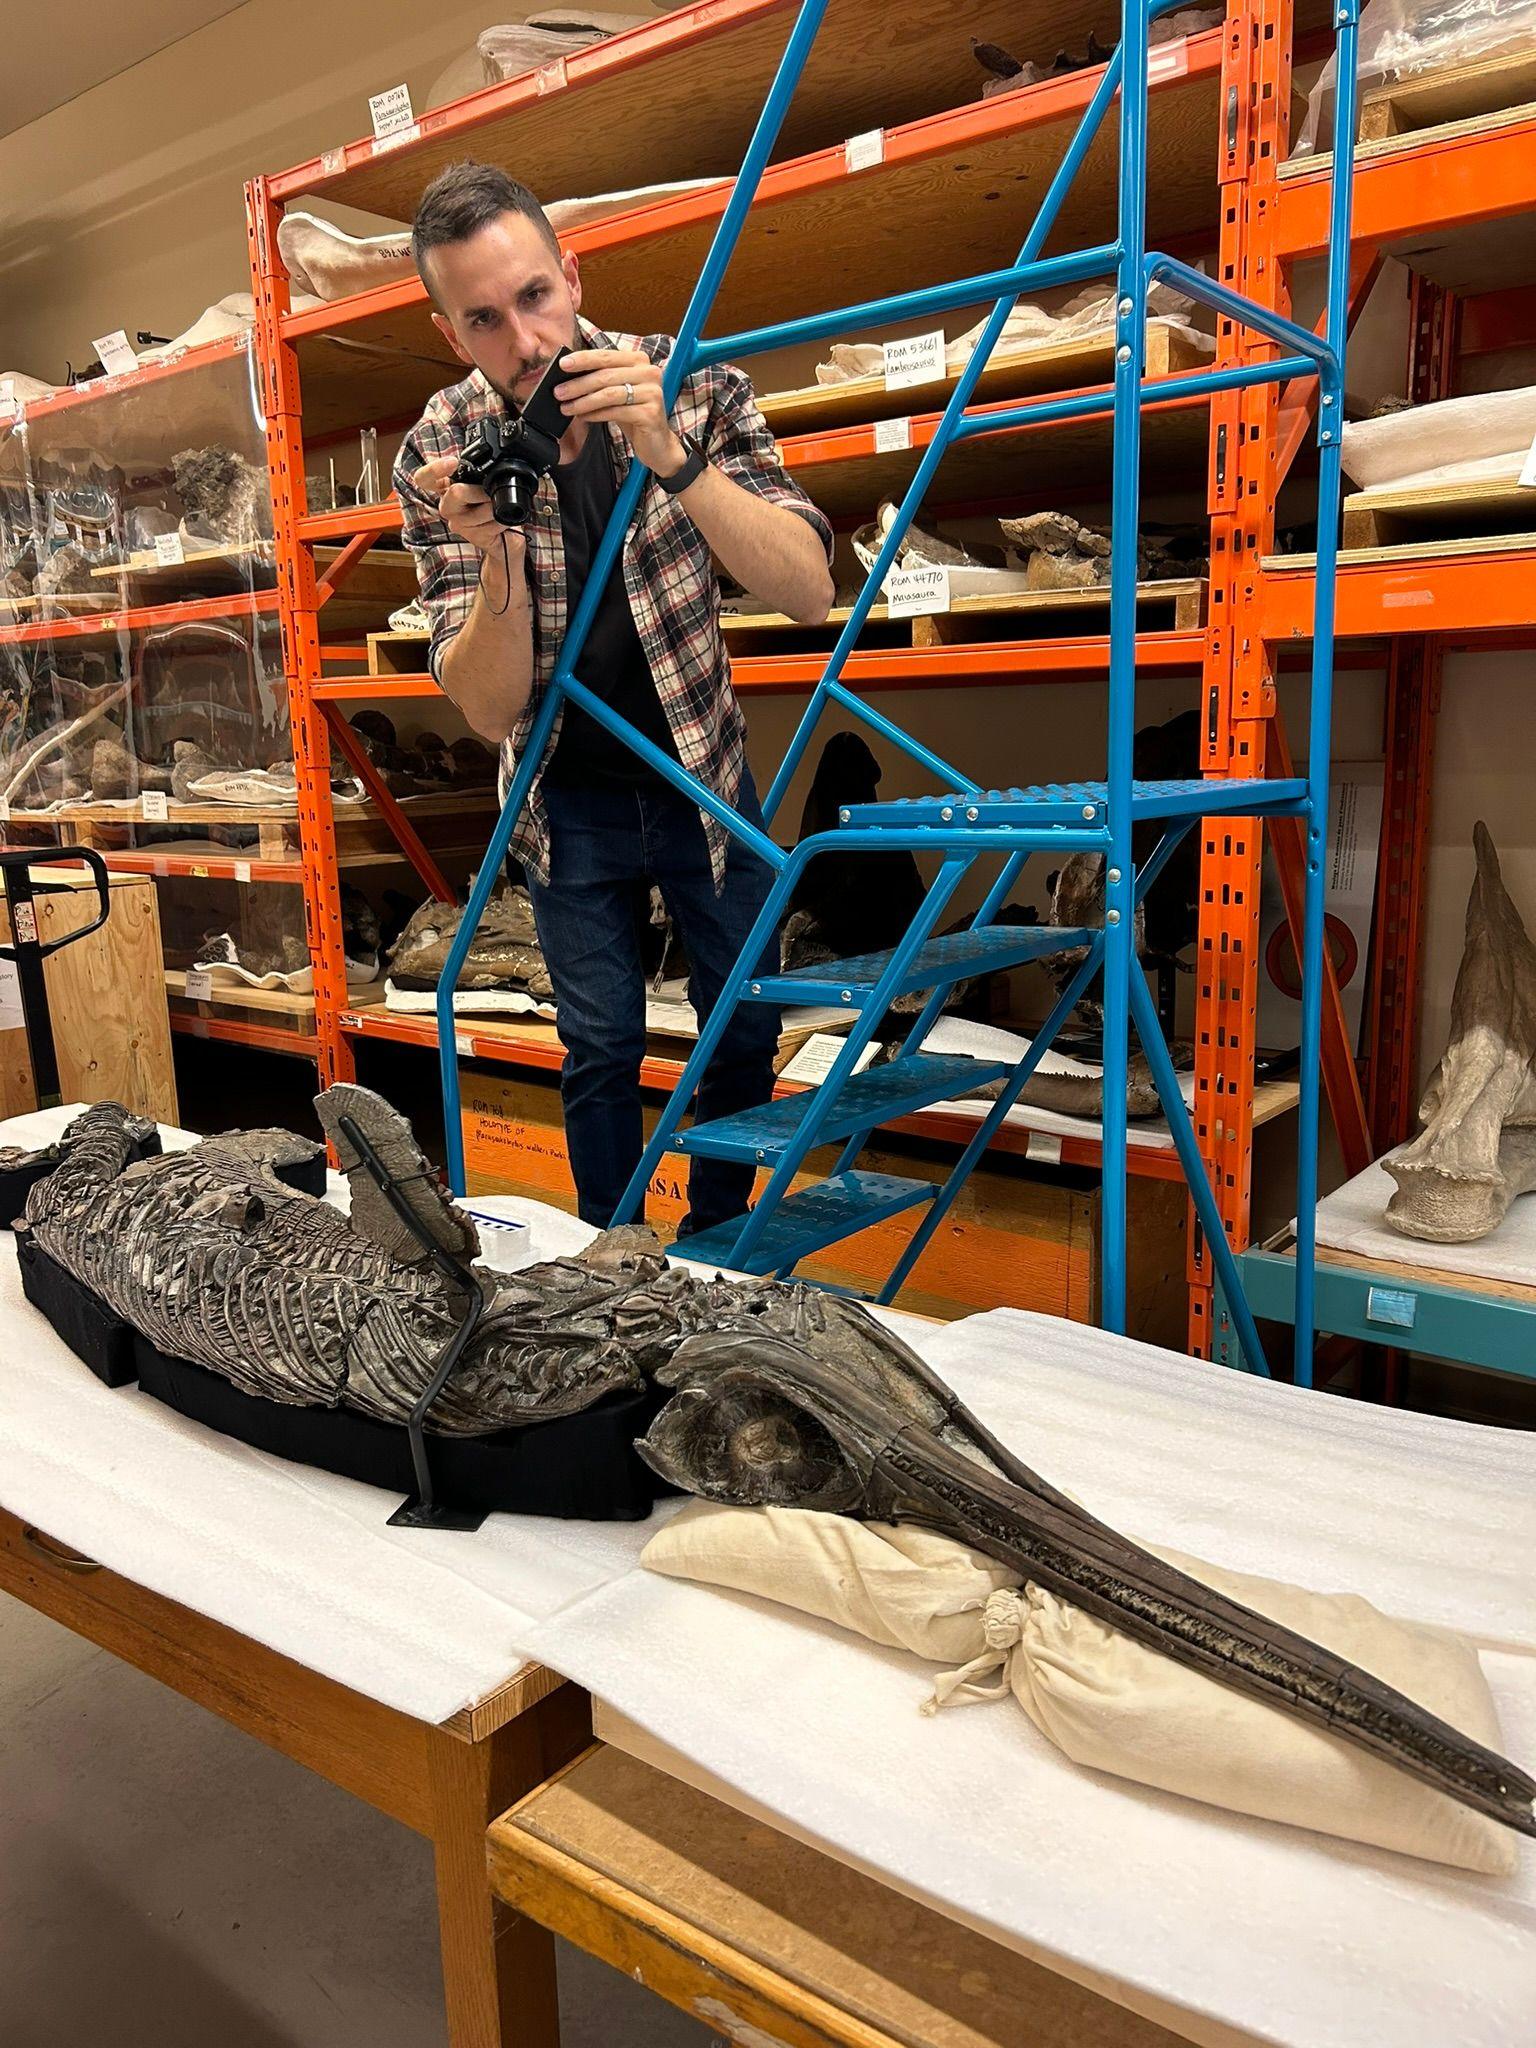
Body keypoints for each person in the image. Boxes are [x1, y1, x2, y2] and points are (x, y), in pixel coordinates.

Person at [393, 161, 835, 1234]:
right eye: (486, 320)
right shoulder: (439, 454)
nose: (527, 341)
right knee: (600, 1048)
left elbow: (811, 589)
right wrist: (493, 551)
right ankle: (610, 1255)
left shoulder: (693, 386)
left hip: (704, 778)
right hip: (564, 799)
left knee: (739, 1030)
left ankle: (717, 1250)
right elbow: (490, 710)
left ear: (573, 275)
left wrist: (670, 455)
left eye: (536, 295)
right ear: (453, 334)